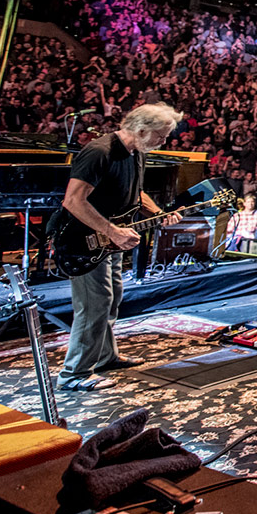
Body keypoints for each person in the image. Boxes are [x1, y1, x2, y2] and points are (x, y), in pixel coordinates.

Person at [56, 103, 184, 392]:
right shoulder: (99, 152)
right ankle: (74, 373)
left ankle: (104, 356)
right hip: (83, 241)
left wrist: (157, 213)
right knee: (94, 303)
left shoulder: (136, 152)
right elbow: (73, 201)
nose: (163, 142)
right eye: (161, 136)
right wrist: (112, 231)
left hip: (108, 240)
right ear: (141, 130)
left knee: (111, 298)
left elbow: (135, 192)